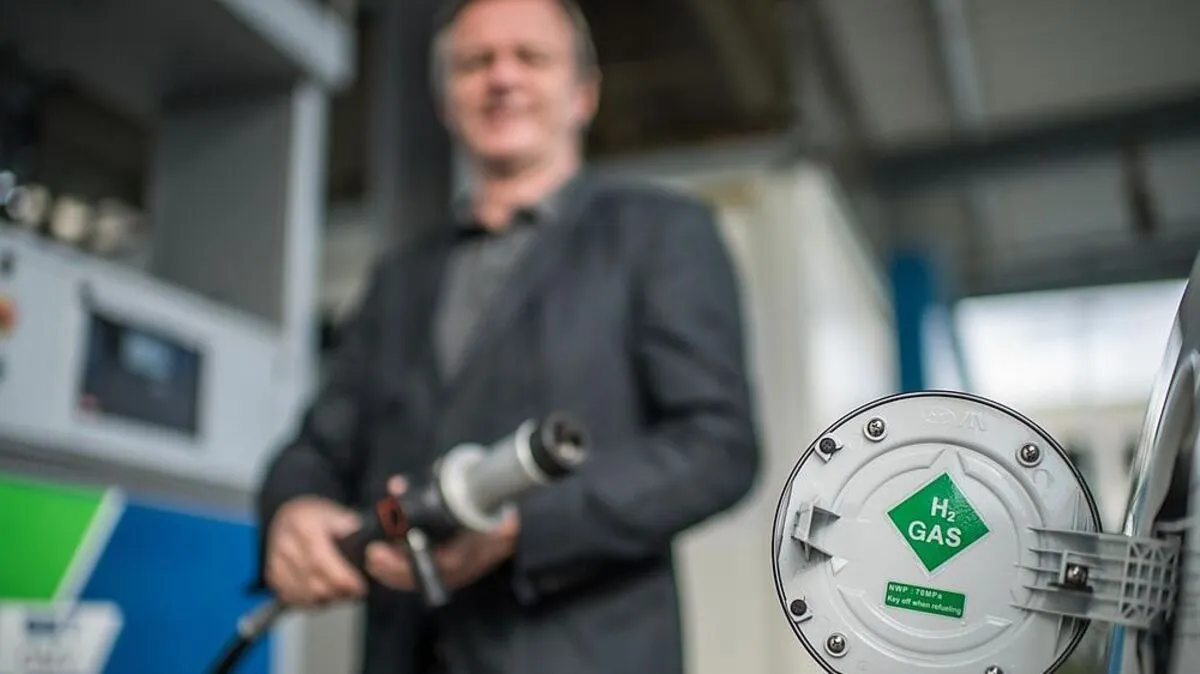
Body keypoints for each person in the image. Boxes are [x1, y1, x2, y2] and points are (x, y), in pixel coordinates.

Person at [255, 0, 761, 672]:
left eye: (531, 57)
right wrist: (294, 508)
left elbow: (717, 445)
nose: (502, 77)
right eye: (475, 63)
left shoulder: (660, 235)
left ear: (583, 94)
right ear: (445, 103)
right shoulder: (399, 279)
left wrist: (523, 530)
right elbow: (319, 445)